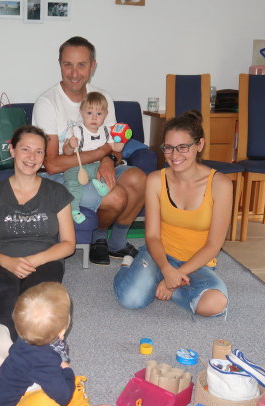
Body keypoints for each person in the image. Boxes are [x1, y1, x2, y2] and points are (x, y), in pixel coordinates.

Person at [32, 36, 146, 266]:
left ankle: (116, 244)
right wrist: (101, 154)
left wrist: (107, 159)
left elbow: (114, 147)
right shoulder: (47, 103)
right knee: (116, 197)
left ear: (93, 66)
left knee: (140, 179)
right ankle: (99, 237)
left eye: (81, 65)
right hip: (61, 176)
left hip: (93, 166)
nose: (74, 73)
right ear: (59, 64)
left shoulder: (102, 99)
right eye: (68, 64)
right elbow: (52, 164)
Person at [113, 110, 232, 318]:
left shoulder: (220, 184)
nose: (174, 156)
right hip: (158, 255)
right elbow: (151, 236)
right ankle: (128, 267)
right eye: (168, 148)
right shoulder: (155, 180)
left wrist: (178, 274)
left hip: (197, 263)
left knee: (215, 304)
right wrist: (167, 269)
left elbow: (214, 245)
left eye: (183, 147)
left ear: (200, 145)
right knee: (131, 299)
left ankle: (165, 286)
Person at [0, 125, 75, 341]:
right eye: (25, 149)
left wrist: (33, 260)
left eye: (39, 151)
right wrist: (7, 262)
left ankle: (32, 350)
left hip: (46, 260)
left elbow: (68, 243)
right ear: (12, 150)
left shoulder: (57, 192)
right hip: (4, 261)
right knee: (7, 294)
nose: (32, 157)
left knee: (36, 300)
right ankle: (3, 347)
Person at [0, 282, 113, 406]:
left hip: (36, 385)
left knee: (66, 381)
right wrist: (66, 370)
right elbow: (62, 396)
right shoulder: (43, 359)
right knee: (53, 395)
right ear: (61, 331)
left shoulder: (31, 337)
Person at [62, 92, 123, 224]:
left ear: (105, 115)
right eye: (89, 113)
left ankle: (102, 186)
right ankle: (74, 210)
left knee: (106, 174)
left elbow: (115, 148)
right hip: (76, 166)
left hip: (96, 166)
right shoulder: (76, 130)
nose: (94, 118)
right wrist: (70, 145)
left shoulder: (106, 131)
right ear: (81, 113)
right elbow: (66, 152)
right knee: (72, 185)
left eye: (99, 114)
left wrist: (122, 139)